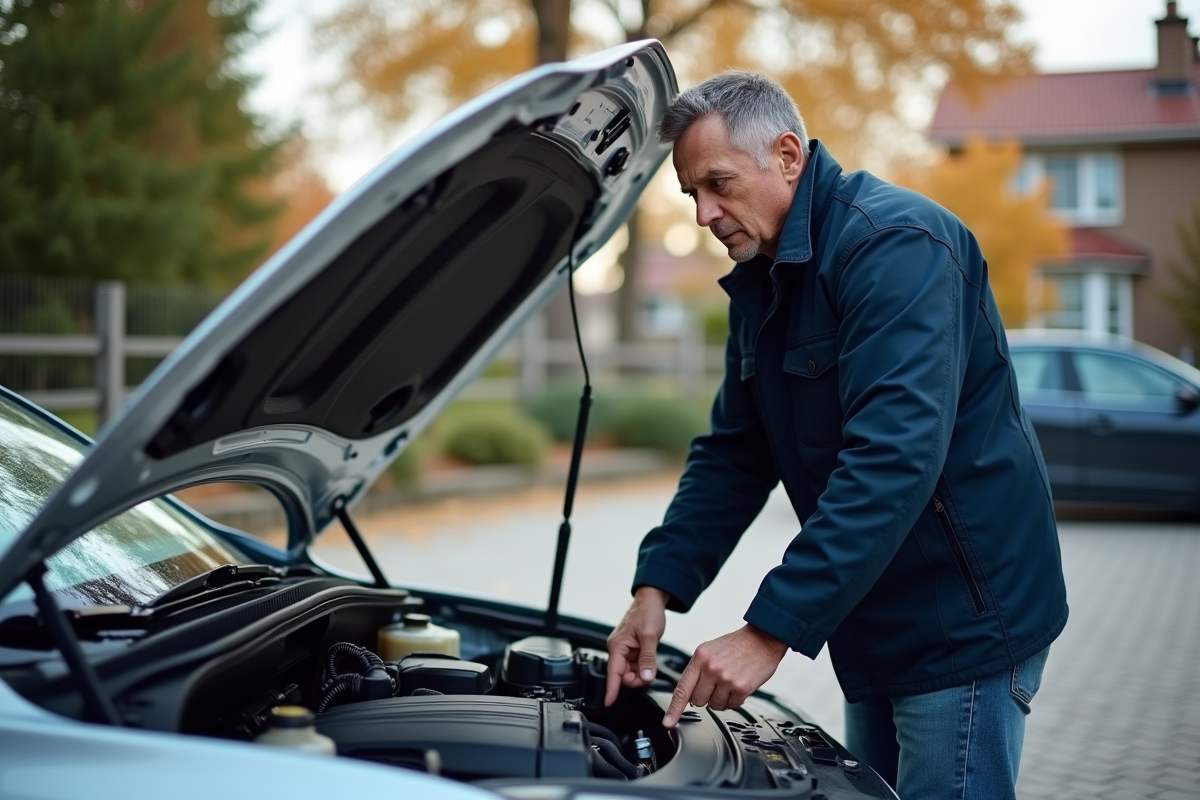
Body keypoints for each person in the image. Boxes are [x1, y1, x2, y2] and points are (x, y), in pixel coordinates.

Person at [603, 71, 1068, 800]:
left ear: (787, 155)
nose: (703, 213)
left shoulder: (898, 248)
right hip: (871, 611)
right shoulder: (762, 279)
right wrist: (656, 588)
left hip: (963, 615)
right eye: (691, 193)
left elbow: (894, 457)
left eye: (718, 184)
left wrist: (767, 631)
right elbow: (734, 451)